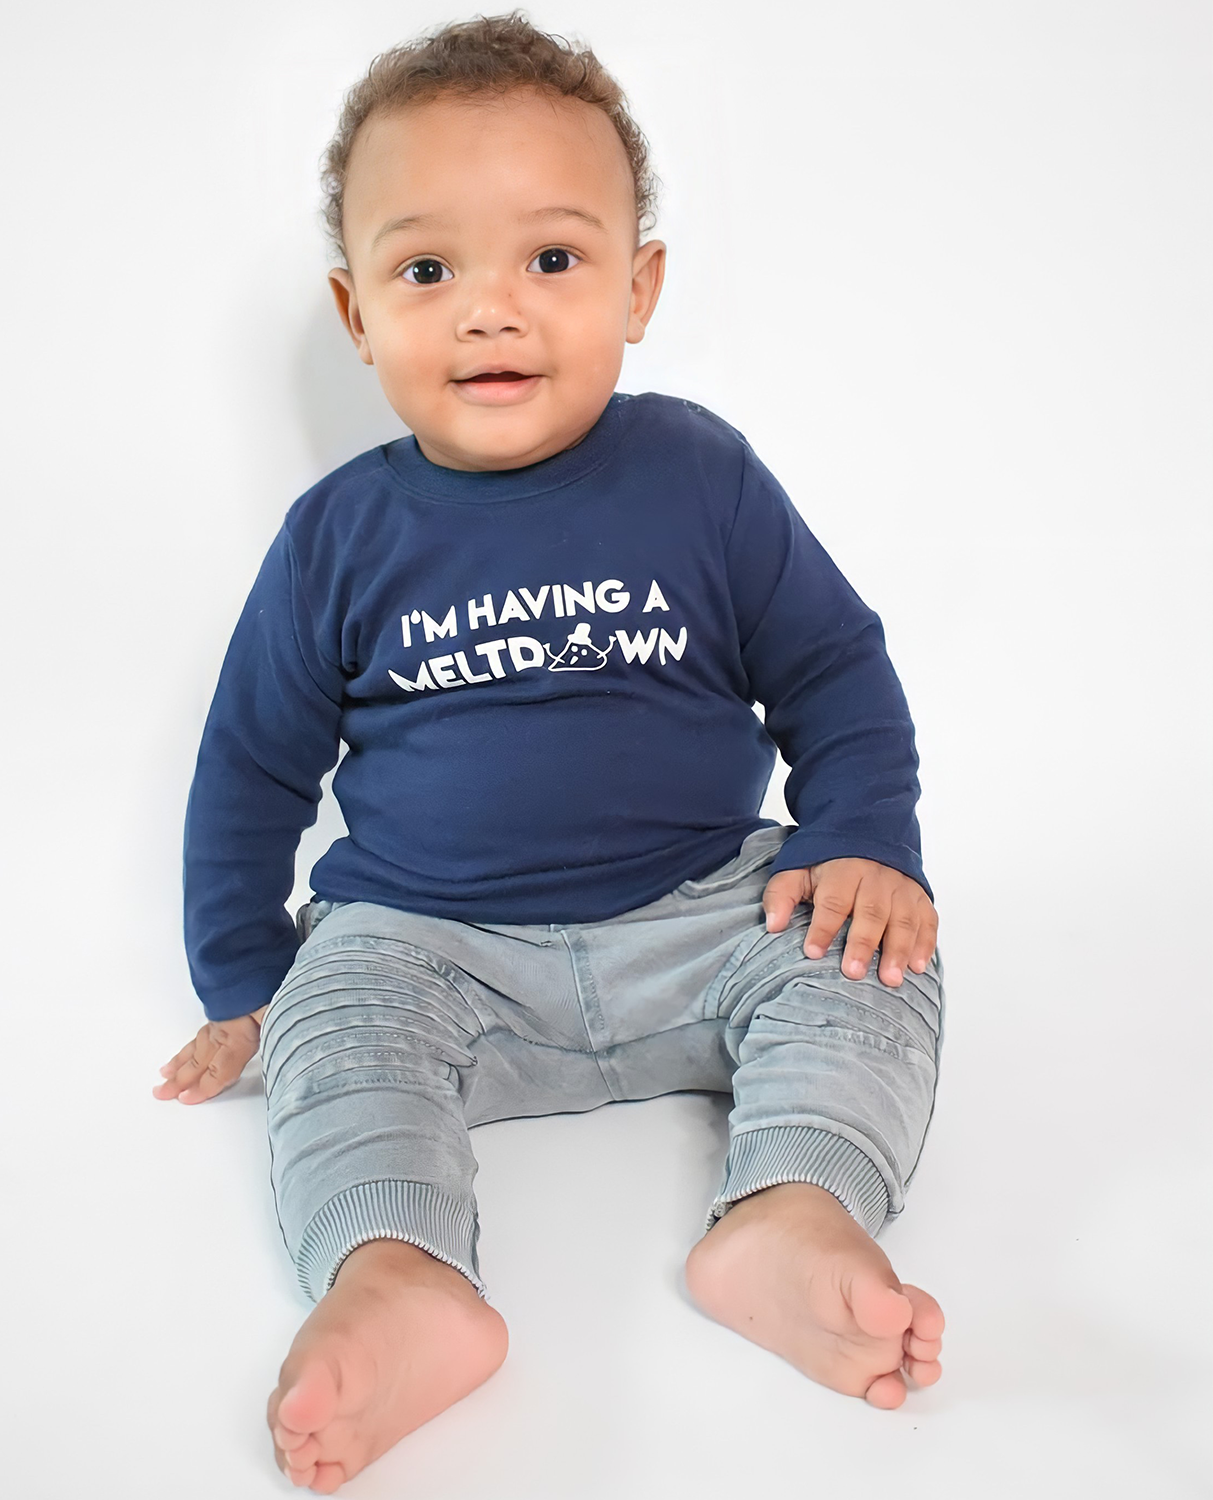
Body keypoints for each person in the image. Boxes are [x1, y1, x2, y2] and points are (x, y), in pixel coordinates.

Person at [153, 12, 945, 1492]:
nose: (490, 312)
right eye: (428, 270)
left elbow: (832, 668)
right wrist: (253, 987)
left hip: (704, 914)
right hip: (435, 951)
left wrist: (865, 839)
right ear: (356, 310)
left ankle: (792, 1207)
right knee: (344, 1024)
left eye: (555, 260)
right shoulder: (338, 536)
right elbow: (254, 768)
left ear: (640, 286)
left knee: (867, 957)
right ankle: (398, 1275)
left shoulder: (700, 473)